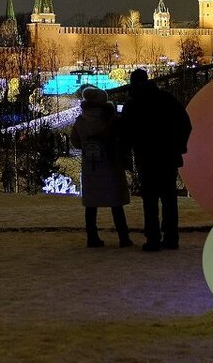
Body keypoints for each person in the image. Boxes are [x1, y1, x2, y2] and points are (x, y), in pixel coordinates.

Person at [119, 68, 191, 251]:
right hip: (168, 156)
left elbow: (125, 133)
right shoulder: (167, 99)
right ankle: (171, 238)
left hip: (145, 157)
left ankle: (152, 239)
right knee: (169, 198)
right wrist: (178, 146)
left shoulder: (132, 105)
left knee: (150, 200)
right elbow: (185, 124)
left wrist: (126, 155)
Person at [70, 86, 132, 248]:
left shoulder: (80, 121)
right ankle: (123, 237)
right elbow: (123, 139)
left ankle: (92, 237)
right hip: (111, 164)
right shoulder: (112, 119)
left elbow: (75, 142)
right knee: (116, 202)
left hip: (91, 166)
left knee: (91, 205)